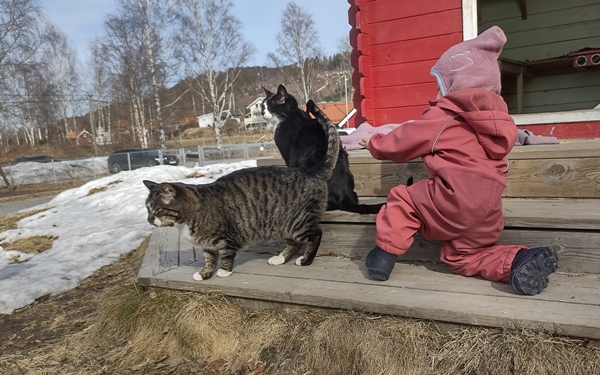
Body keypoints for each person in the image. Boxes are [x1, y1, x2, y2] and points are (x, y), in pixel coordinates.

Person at [358, 26, 558, 296]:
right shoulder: (501, 122)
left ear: (455, 84)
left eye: (441, 85)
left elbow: (403, 141)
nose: (439, 93)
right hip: (489, 207)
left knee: (403, 200)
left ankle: (383, 256)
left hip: (452, 196)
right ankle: (517, 262)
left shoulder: (444, 115)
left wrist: (374, 143)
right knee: (463, 258)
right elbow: (506, 143)